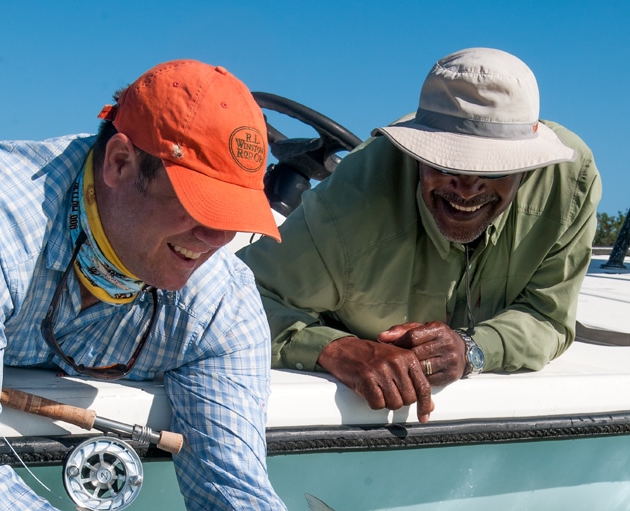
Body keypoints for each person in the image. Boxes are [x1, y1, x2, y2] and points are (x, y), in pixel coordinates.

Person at [0, 59, 442, 511]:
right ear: (118, 163)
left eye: (233, 216)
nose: (215, 240)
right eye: (199, 205)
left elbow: (231, 487)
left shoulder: (224, 301)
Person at [238, 48, 602, 423]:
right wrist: (336, 348)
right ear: (417, 156)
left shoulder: (570, 184)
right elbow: (230, 299)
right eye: (448, 163)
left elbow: (549, 317)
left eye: (495, 170)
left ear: (528, 167)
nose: (466, 189)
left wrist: (471, 349)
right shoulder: (350, 202)